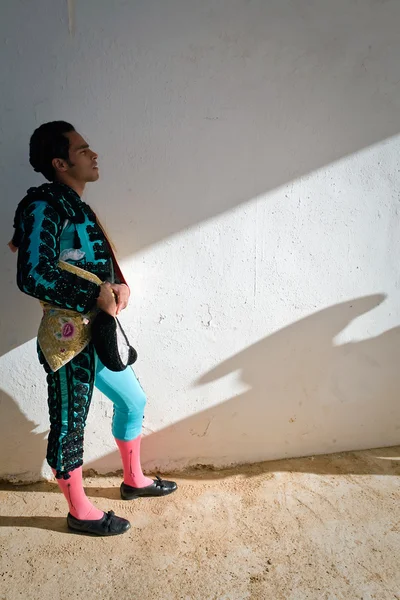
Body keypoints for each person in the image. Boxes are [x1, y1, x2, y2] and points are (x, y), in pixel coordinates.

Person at [9, 121, 177, 536]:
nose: (93, 154)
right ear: (60, 162)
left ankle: (134, 481)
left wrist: (119, 288)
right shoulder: (42, 207)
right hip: (66, 339)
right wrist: (95, 296)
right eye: (83, 150)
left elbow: (94, 265)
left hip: (99, 332)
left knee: (133, 401)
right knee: (69, 421)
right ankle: (79, 510)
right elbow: (32, 275)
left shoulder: (77, 206)